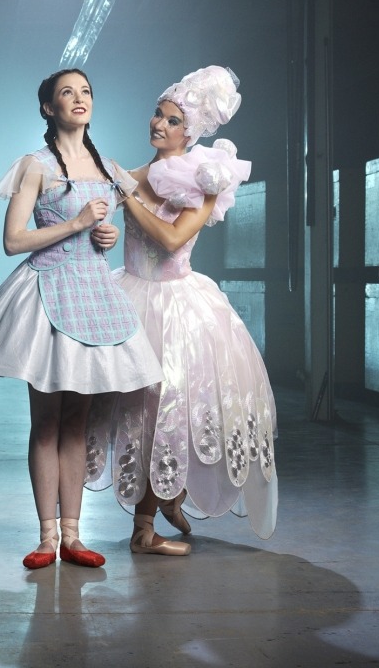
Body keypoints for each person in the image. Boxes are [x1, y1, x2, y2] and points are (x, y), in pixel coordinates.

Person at [0, 68, 164, 569]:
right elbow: (13, 241)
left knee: (78, 421)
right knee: (47, 420)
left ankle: (73, 536)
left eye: (86, 91)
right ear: (49, 108)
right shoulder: (36, 165)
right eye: (67, 93)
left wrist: (107, 236)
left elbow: (112, 226)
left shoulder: (109, 168)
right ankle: (46, 538)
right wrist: (75, 223)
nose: (79, 98)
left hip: (94, 294)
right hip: (48, 291)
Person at [85, 65, 278, 555]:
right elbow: (98, 210)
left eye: (173, 120)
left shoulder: (205, 178)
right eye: (158, 113)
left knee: (182, 407)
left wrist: (127, 197)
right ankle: (150, 520)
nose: (160, 124)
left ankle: (164, 505)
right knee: (141, 412)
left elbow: (172, 239)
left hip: (179, 308)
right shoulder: (135, 175)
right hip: (131, 296)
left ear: (190, 133)